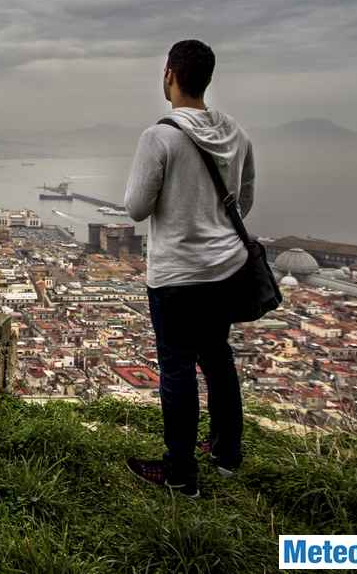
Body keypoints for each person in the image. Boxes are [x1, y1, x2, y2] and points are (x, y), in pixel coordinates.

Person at [123, 39, 254, 498]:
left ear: (169, 74)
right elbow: (245, 201)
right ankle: (226, 454)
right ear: (208, 79)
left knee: (177, 368)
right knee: (217, 358)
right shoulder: (235, 133)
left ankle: (180, 473)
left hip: (177, 274)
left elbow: (137, 208)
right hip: (225, 271)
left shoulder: (159, 136)